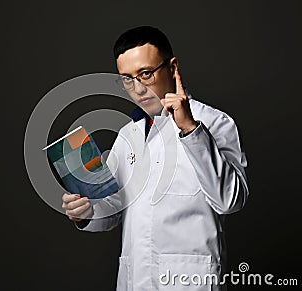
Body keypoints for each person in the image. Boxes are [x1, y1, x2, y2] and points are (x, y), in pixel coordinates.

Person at [62, 26, 249, 290]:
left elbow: (230, 200)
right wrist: (86, 212)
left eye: (146, 74)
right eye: (127, 79)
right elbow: (113, 206)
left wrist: (190, 131)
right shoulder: (128, 135)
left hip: (189, 281)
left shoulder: (215, 123)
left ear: (172, 68)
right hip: (135, 279)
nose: (137, 89)